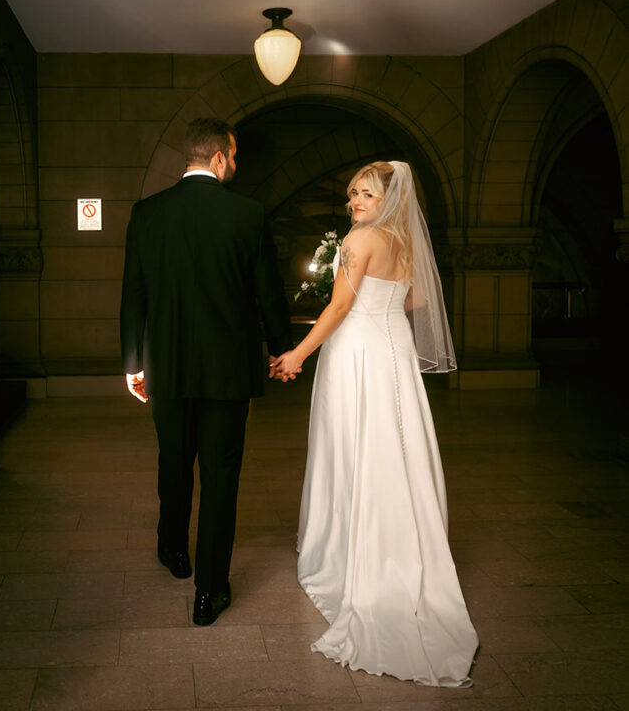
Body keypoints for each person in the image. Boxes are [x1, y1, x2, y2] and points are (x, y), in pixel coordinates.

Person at [271, 160, 478, 685]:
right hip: (394, 354)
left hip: (357, 354)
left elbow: (340, 307)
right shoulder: (404, 241)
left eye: (364, 195)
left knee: (354, 447)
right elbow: (420, 299)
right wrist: (380, 307)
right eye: (351, 195)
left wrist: (297, 354)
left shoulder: (359, 241)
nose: (354, 203)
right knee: (392, 448)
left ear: (387, 197)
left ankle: (348, 548)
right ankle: (401, 545)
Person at [121, 117, 293, 626]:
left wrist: (134, 363)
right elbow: (269, 293)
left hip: (166, 366)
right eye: (233, 156)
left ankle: (173, 549)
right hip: (227, 372)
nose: (234, 165)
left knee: (173, 460)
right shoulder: (248, 214)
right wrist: (284, 349)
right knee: (221, 477)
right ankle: (208, 592)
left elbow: (134, 294)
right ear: (218, 158)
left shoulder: (147, 214)